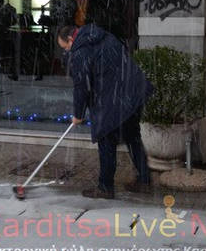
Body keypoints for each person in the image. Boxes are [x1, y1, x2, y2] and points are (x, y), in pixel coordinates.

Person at [57, 24, 153, 199]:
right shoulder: (103, 36)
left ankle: (105, 187)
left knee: (106, 140)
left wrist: (78, 114)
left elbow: (82, 86)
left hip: (114, 98)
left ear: (71, 39)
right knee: (132, 136)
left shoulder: (80, 51)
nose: (67, 51)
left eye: (66, 47)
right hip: (133, 91)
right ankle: (144, 180)